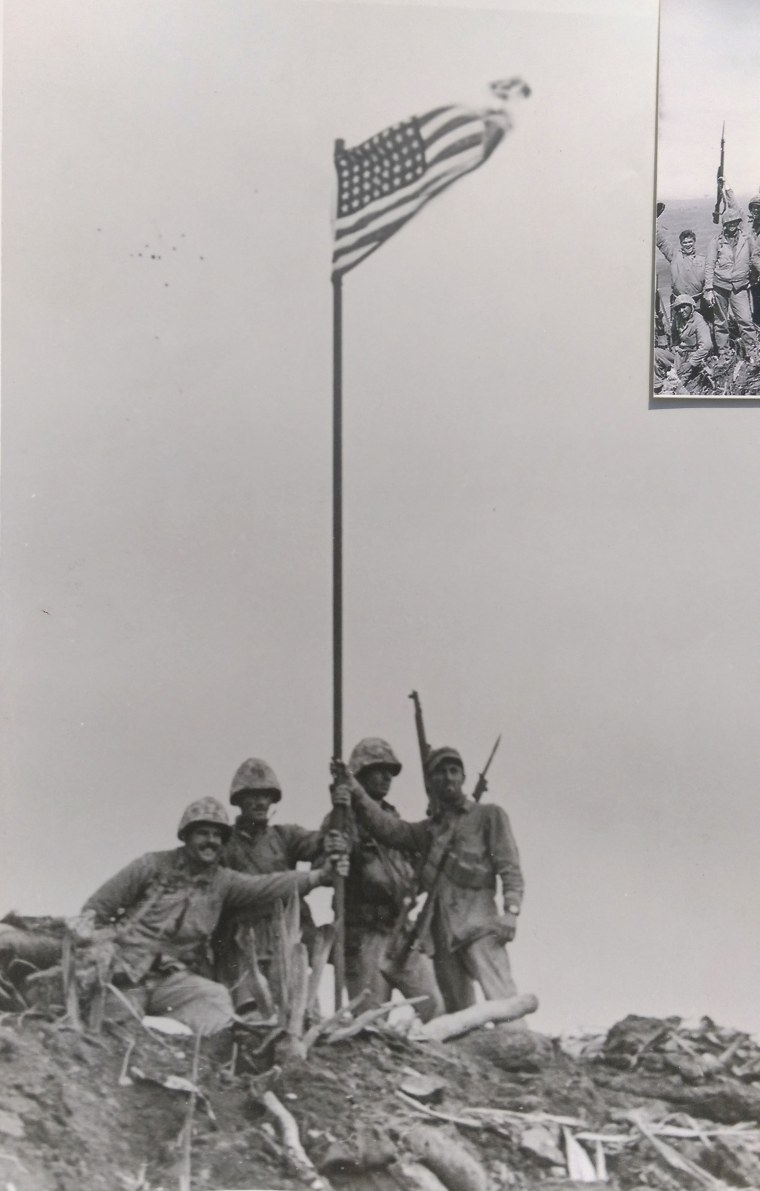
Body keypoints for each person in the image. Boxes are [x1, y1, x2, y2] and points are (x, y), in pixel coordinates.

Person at [79, 797, 345, 1034]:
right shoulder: (150, 866)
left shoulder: (223, 882)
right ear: (186, 836)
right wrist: (99, 951)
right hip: (124, 976)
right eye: (203, 833)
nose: (211, 841)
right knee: (114, 1032)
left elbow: (267, 885)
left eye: (218, 836)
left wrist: (318, 877)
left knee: (217, 1004)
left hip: (172, 981)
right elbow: (96, 909)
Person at [333, 745, 524, 1015]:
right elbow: (388, 828)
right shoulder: (428, 831)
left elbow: (510, 867)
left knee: (506, 1007)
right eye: (440, 773)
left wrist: (511, 911)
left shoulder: (488, 816)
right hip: (442, 940)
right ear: (430, 783)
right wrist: (353, 789)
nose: (447, 778)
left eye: (453, 771)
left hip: (480, 929)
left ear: (463, 777)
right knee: (457, 1020)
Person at [322, 738, 443, 1022]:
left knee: (436, 1008)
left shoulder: (393, 818)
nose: (387, 776)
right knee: (369, 1021)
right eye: (379, 769)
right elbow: (331, 864)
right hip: (365, 933)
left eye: (390, 770)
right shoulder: (341, 817)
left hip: (400, 929)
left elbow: (413, 870)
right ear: (361, 773)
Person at [216, 757, 344, 1012]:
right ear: (239, 800)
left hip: (285, 936)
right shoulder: (224, 843)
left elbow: (319, 841)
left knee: (303, 1010)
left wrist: (338, 811)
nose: (261, 802)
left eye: (266, 796)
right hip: (243, 942)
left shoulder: (285, 836)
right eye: (253, 796)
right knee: (250, 1014)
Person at [704, 204, 760, 360]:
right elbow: (709, 265)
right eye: (728, 223)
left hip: (740, 286)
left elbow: (754, 258)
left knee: (745, 319)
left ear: (738, 222)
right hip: (720, 285)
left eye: (734, 222)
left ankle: (752, 351)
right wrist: (709, 288)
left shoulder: (747, 239)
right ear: (724, 225)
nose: (732, 226)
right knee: (721, 321)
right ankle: (724, 352)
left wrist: (753, 278)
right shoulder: (715, 242)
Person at [653, 295, 712, 391]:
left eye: (684, 307)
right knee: (655, 353)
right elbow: (673, 334)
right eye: (678, 308)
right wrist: (674, 346)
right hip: (678, 353)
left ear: (691, 307)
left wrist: (690, 363)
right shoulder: (678, 318)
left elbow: (706, 346)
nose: (681, 311)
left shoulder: (699, 321)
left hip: (691, 356)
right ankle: (657, 386)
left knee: (676, 380)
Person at [655, 223, 706, 315]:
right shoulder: (674, 255)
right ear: (681, 244)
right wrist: (653, 226)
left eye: (690, 242)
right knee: (678, 328)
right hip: (678, 301)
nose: (688, 245)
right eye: (685, 243)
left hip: (698, 302)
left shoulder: (702, 259)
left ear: (694, 242)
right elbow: (662, 242)